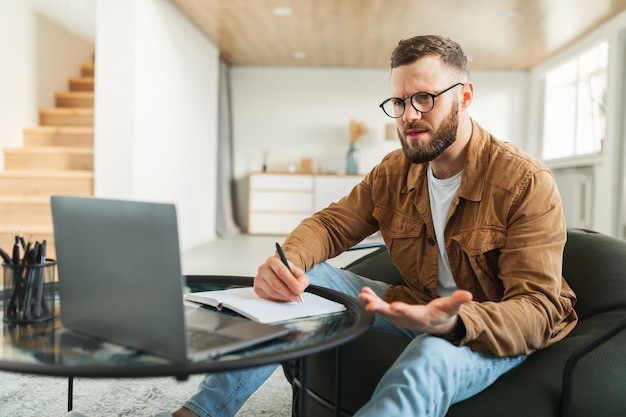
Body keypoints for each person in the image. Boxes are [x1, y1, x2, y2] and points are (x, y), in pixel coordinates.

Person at [174, 34, 577, 417]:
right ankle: (202, 411)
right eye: (399, 102)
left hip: (494, 323)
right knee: (301, 278)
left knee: (431, 353)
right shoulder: (394, 171)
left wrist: (454, 322)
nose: (410, 116)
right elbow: (332, 225)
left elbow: (536, 310)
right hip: (418, 305)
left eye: (424, 98)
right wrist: (287, 263)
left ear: (465, 96)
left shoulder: (525, 181)